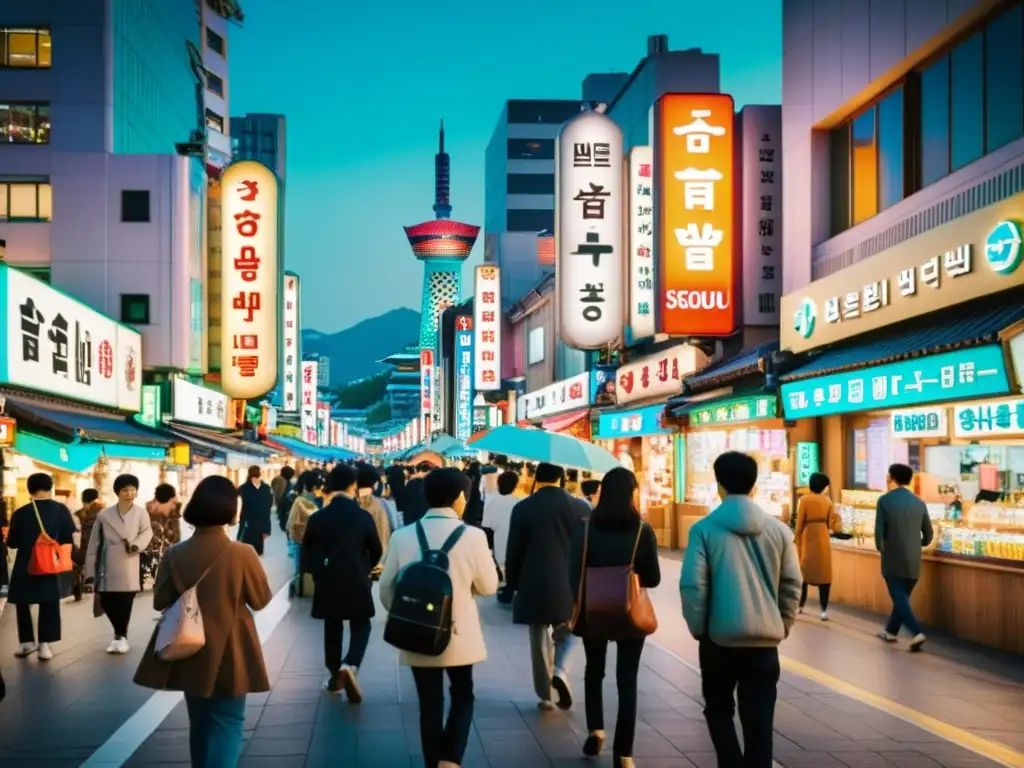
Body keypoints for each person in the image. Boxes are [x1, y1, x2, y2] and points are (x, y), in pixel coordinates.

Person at [134, 475, 272, 768]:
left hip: (189, 645)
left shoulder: (175, 553)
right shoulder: (242, 552)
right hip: (232, 648)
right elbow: (260, 599)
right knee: (228, 720)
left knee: (200, 721)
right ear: (230, 510)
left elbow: (160, 600)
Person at [681, 451, 801, 768]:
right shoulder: (779, 531)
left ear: (719, 484)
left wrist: (700, 628)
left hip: (719, 642)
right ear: (754, 485)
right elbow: (792, 584)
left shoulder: (704, 530)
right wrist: (781, 625)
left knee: (719, 710)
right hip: (764, 644)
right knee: (760, 720)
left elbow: (694, 586)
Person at [378, 468, 499, 768]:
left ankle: (433, 761)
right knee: (463, 694)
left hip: (418, 632)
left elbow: (386, 588)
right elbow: (488, 587)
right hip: (460, 636)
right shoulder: (473, 536)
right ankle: (451, 758)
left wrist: (410, 613)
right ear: (459, 497)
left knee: (428, 704)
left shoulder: (403, 536)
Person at [568, 468, 660, 766]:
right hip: (629, 614)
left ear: (603, 492)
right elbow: (653, 578)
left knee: (594, 672)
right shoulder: (641, 530)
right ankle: (624, 753)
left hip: (593, 610)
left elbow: (573, 572)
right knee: (627, 680)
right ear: (632, 494)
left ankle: (595, 732)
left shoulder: (585, 527)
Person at [504, 462, 589, 711]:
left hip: (534, 580)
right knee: (570, 631)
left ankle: (545, 694)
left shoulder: (523, 507)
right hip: (571, 582)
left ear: (536, 478)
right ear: (561, 479)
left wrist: (512, 583)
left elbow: (514, 549)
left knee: (539, 636)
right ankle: (561, 671)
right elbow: (586, 548)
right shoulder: (580, 507)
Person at [301, 464, 383, 701]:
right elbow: (376, 549)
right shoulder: (362, 516)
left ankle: (334, 673)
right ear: (353, 485)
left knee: (332, 626)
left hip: (327, 580)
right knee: (361, 624)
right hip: (357, 578)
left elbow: (307, 553)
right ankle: (351, 664)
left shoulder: (318, 517)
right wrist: (365, 567)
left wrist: (318, 573)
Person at [6, 473, 77, 660]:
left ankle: (26, 643)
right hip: (50, 563)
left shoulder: (20, 513)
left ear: (30, 489)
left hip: (25, 564)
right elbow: (67, 539)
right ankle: (44, 645)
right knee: (49, 602)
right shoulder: (61, 510)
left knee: (22, 601)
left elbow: (12, 543)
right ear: (50, 488)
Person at [85, 474, 153, 654]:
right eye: (125, 490)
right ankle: (119, 634)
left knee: (125, 601)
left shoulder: (141, 513)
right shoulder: (104, 515)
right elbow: (94, 544)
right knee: (107, 601)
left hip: (130, 561)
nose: (130, 493)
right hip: (107, 563)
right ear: (118, 492)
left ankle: (120, 636)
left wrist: (136, 544)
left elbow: (147, 533)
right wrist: (90, 571)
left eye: (133, 489)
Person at [875, 463, 934, 650]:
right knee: (902, 598)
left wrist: (881, 547)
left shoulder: (884, 501)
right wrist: (918, 545)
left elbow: (878, 535)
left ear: (892, 478)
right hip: (913, 559)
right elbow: (929, 535)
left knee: (899, 597)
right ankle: (891, 632)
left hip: (893, 557)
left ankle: (917, 632)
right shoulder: (919, 502)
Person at [794, 472, 841, 620]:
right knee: (824, 576)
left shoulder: (804, 500)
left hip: (808, 538)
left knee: (804, 574)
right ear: (823, 487)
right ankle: (823, 611)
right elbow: (831, 524)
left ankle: (800, 606)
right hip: (823, 539)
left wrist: (797, 540)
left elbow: (799, 524)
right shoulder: (827, 502)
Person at [287, 470, 324, 596]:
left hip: (298, 539)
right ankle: (300, 587)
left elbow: (290, 523)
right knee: (303, 568)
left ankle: (299, 587)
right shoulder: (308, 500)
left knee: (300, 568)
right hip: (305, 539)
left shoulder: (297, 498)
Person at [480, 470, 520, 578]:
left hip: (498, 552)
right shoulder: (518, 504)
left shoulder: (491, 501)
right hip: (515, 551)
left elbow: (487, 529)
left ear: (498, 483)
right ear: (515, 486)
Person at [143, 483, 181, 588]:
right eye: (173, 501)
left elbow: (176, 536)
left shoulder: (173, 513)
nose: (175, 503)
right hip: (155, 550)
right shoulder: (148, 515)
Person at [73, 488, 105, 601]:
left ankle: (83, 581)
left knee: (80, 562)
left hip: (84, 542)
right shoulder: (103, 510)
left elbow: (75, 530)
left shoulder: (79, 513)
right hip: (98, 542)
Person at [357, 465, 392, 562]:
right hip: (376, 560)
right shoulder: (380, 504)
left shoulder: (350, 502)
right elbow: (384, 535)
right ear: (375, 484)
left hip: (354, 563)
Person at [237, 466, 273, 556]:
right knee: (250, 550)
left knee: (252, 550)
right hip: (254, 520)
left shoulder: (244, 488)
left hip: (253, 520)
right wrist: (267, 528)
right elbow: (269, 506)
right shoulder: (265, 488)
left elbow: (268, 506)